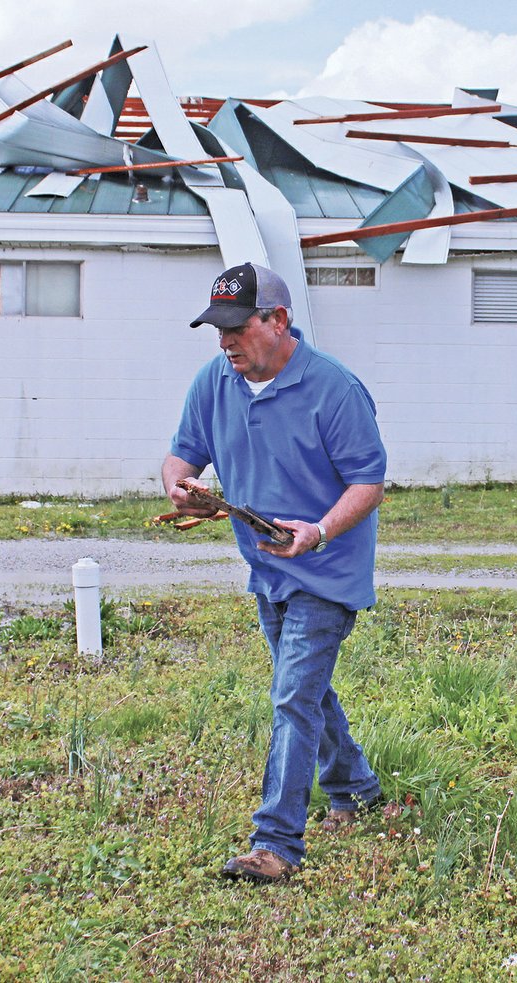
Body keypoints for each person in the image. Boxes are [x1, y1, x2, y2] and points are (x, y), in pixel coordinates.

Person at [162, 261, 387, 884]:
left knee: (293, 695)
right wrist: (183, 488)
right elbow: (182, 453)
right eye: (218, 329)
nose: (226, 340)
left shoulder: (334, 389)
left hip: (326, 568)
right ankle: (357, 789)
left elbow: (369, 482)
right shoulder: (216, 381)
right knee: (307, 691)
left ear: (278, 320)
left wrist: (316, 533)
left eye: (237, 327)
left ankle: (277, 845)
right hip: (266, 568)